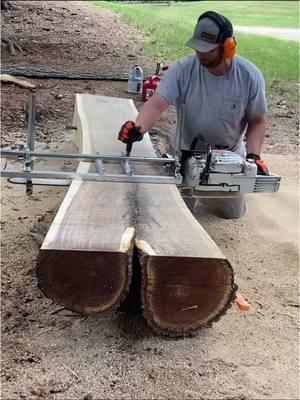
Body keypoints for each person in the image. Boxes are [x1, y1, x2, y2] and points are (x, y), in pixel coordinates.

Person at [118, 11, 269, 219]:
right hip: (186, 155)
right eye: (198, 48)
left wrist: (253, 157)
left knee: (231, 213)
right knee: (178, 213)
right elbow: (156, 104)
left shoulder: (249, 76)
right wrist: (138, 128)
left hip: (230, 158)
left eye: (207, 49)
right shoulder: (184, 70)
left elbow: (257, 120)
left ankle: (215, 194)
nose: (201, 54)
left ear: (227, 47)